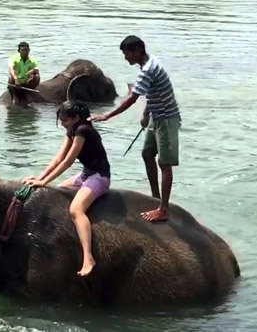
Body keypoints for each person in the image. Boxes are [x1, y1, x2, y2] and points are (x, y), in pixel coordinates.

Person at [90, 35, 181, 222]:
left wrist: (107, 115)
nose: (126, 58)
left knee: (164, 163)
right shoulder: (149, 64)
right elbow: (154, 91)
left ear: (139, 50)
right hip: (156, 115)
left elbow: (132, 99)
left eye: (128, 53)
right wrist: (147, 113)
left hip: (166, 118)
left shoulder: (148, 69)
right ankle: (156, 197)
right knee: (147, 154)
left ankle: (163, 209)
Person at [22, 101, 111, 276]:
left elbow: (68, 162)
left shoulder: (83, 130)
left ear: (76, 118)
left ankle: (88, 257)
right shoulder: (72, 131)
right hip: (85, 174)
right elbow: (58, 159)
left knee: (76, 210)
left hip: (99, 177)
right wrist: (40, 179)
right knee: (55, 192)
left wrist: (45, 181)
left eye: (64, 120)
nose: (62, 123)